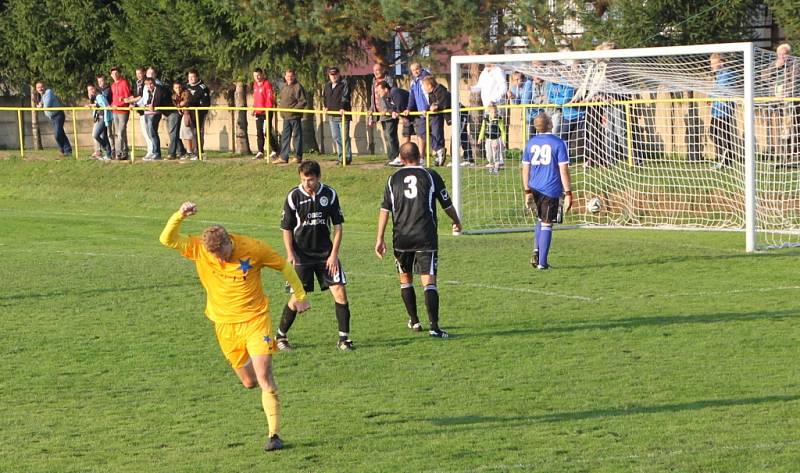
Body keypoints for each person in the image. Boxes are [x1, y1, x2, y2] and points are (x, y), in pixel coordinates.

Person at [159, 201, 311, 452]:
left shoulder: (254, 248)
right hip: (225, 327)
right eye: (216, 256)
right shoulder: (199, 248)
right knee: (249, 382)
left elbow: (284, 266)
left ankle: (274, 435)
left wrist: (301, 295)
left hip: (255, 321)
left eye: (224, 253)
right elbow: (166, 239)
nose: (221, 259)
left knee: (264, 376)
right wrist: (180, 215)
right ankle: (266, 407)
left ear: (229, 241)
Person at [375, 142, 462, 338]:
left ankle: (414, 320)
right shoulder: (431, 175)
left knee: (405, 279)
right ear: (419, 156)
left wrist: (379, 238)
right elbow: (446, 203)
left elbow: (385, 210)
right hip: (425, 236)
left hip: (401, 237)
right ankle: (434, 326)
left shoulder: (392, 179)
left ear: (401, 158)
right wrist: (456, 221)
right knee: (429, 281)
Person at [277, 160, 353, 351]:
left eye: (310, 180)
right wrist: (290, 253)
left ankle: (344, 339)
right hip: (301, 256)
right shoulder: (294, 196)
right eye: (303, 180)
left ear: (318, 178)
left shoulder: (330, 194)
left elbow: (338, 227)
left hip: (325, 255)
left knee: (340, 292)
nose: (306, 184)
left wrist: (333, 255)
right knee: (297, 298)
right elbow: (286, 228)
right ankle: (280, 336)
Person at [521, 113, 573, 270]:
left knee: (540, 219)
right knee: (547, 223)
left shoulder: (530, 143)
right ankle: (542, 263)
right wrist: (568, 192)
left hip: (534, 186)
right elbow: (563, 169)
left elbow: (525, 169)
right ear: (550, 124)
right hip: (550, 188)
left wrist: (527, 190)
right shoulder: (558, 143)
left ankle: (537, 250)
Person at [709, 53, 741, 168]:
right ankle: (725, 158)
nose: (711, 66)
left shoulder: (728, 74)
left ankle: (726, 160)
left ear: (721, 62)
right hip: (716, 110)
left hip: (724, 110)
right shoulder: (717, 75)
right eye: (711, 63)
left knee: (722, 134)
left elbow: (721, 90)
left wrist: (711, 94)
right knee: (713, 133)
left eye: (714, 63)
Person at [277, 69, 308, 164]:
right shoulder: (284, 87)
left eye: (291, 76)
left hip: (294, 117)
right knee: (285, 137)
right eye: (287, 76)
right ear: (285, 77)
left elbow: (303, 101)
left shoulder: (298, 87)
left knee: (297, 137)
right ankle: (283, 157)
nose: (289, 78)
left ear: (294, 76)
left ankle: (298, 157)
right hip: (286, 117)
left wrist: (294, 110)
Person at [322, 66, 352, 165]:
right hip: (332, 115)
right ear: (329, 75)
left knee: (345, 137)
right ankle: (340, 157)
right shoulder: (327, 85)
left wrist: (342, 107)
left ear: (339, 74)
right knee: (336, 137)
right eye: (331, 75)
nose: (333, 76)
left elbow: (345, 97)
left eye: (335, 74)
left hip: (343, 116)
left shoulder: (344, 84)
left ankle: (347, 158)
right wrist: (325, 107)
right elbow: (325, 98)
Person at [34, 81, 72, 156]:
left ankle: (65, 150)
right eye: (38, 88)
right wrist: (40, 105)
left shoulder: (48, 92)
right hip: (52, 117)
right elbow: (41, 105)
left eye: (41, 87)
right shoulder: (42, 95)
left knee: (57, 134)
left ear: (44, 86)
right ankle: (66, 151)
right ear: (36, 89)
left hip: (58, 115)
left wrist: (40, 106)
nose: (40, 89)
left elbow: (47, 106)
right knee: (60, 133)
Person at [376, 80, 408, 166]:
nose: (378, 93)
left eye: (379, 91)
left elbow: (400, 105)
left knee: (420, 135)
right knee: (405, 135)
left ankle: (420, 158)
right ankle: (399, 158)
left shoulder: (395, 92)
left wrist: (395, 111)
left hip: (412, 113)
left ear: (386, 89)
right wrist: (392, 112)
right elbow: (390, 108)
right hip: (405, 116)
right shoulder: (384, 97)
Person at [404, 63, 431, 157]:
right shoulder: (413, 82)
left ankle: (424, 156)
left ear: (421, 68)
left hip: (429, 111)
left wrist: (428, 108)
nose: (415, 71)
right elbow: (412, 97)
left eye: (417, 69)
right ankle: (421, 156)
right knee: (421, 133)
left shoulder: (426, 78)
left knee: (431, 134)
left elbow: (430, 95)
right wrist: (408, 108)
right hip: (421, 112)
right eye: (413, 70)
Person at [251, 68, 279, 160]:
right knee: (259, 132)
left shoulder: (267, 84)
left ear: (262, 74)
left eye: (258, 75)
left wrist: (267, 109)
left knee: (267, 132)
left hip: (266, 112)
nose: (257, 77)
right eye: (255, 76)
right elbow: (256, 98)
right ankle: (260, 151)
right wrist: (254, 108)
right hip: (258, 112)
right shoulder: (255, 85)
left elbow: (269, 98)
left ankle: (275, 150)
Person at [421, 75, 449, 166]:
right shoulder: (430, 94)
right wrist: (427, 109)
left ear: (429, 85)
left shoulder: (441, 90)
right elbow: (431, 104)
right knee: (425, 132)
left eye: (424, 86)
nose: (423, 88)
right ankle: (438, 150)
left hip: (444, 116)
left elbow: (443, 102)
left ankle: (440, 152)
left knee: (437, 134)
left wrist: (437, 106)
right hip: (435, 116)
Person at [186, 69, 211, 153]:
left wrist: (203, 112)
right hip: (187, 114)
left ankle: (199, 151)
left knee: (198, 132)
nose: (191, 79)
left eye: (193, 77)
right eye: (189, 77)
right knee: (187, 132)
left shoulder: (202, 88)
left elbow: (206, 102)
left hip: (199, 114)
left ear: (197, 77)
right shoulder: (186, 87)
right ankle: (189, 151)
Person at [110, 67, 131, 160]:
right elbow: (114, 98)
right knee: (120, 133)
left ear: (119, 74)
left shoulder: (124, 82)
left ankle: (119, 152)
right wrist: (112, 105)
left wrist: (119, 104)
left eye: (116, 73)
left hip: (123, 111)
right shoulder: (113, 85)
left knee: (120, 131)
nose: (115, 75)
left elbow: (127, 98)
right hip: (115, 111)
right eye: (113, 74)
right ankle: (125, 151)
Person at [86, 83, 112, 160]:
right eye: (88, 90)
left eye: (91, 89)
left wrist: (93, 105)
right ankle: (108, 155)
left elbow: (104, 105)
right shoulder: (95, 96)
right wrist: (91, 104)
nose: (90, 91)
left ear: (94, 88)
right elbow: (97, 104)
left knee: (95, 135)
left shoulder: (99, 95)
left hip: (103, 118)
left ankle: (107, 150)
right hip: (99, 118)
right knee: (104, 137)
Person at [478, 103, 506, 173]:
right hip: (488, 139)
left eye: (495, 112)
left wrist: (503, 140)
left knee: (495, 152)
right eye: (492, 112)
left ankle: (496, 164)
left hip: (495, 139)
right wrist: (480, 138)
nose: (494, 113)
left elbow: (502, 131)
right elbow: (483, 128)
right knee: (489, 153)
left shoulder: (499, 120)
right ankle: (490, 163)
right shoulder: (486, 119)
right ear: (489, 112)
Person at [140, 77, 163, 160]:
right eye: (147, 84)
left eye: (151, 84)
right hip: (146, 113)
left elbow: (156, 101)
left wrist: (152, 105)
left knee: (153, 133)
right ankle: (152, 151)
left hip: (154, 114)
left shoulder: (158, 90)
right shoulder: (147, 91)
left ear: (154, 83)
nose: (149, 86)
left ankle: (157, 153)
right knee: (149, 133)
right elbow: (144, 102)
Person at [167, 80, 187, 159]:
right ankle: (181, 151)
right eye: (176, 88)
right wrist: (178, 107)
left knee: (174, 133)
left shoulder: (185, 93)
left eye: (179, 87)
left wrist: (179, 106)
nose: (178, 89)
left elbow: (185, 101)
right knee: (174, 133)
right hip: (175, 113)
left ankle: (172, 153)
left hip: (183, 114)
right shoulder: (173, 96)